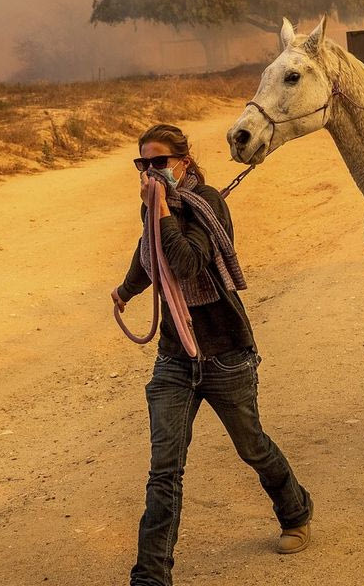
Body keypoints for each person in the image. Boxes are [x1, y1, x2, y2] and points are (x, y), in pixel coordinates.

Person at [113, 123, 313, 586]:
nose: (149, 172)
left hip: (225, 354)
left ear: (183, 161)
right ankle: (150, 576)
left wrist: (161, 210)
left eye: (158, 162)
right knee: (165, 470)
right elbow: (150, 255)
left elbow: (186, 263)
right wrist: (125, 290)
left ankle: (296, 510)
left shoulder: (208, 204)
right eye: (142, 164)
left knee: (253, 447)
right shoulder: (153, 213)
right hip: (174, 358)